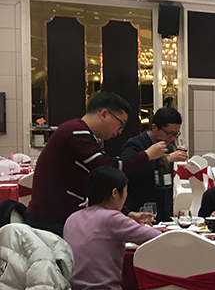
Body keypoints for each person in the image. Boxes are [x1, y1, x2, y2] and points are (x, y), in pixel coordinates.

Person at [27, 90, 168, 235]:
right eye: (120, 124)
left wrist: (128, 213)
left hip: (60, 218)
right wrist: (147, 155)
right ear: (104, 114)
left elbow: (98, 182)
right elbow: (107, 167)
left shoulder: (81, 133)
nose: (120, 131)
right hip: (50, 222)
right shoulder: (76, 132)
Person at [63, 166, 161, 290]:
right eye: (126, 192)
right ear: (115, 193)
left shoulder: (72, 218)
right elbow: (157, 239)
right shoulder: (112, 218)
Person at [122, 106, 189, 218]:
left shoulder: (168, 148)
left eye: (176, 134)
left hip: (163, 209)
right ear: (154, 127)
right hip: (140, 207)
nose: (172, 138)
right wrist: (166, 159)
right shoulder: (135, 144)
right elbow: (130, 171)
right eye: (169, 133)